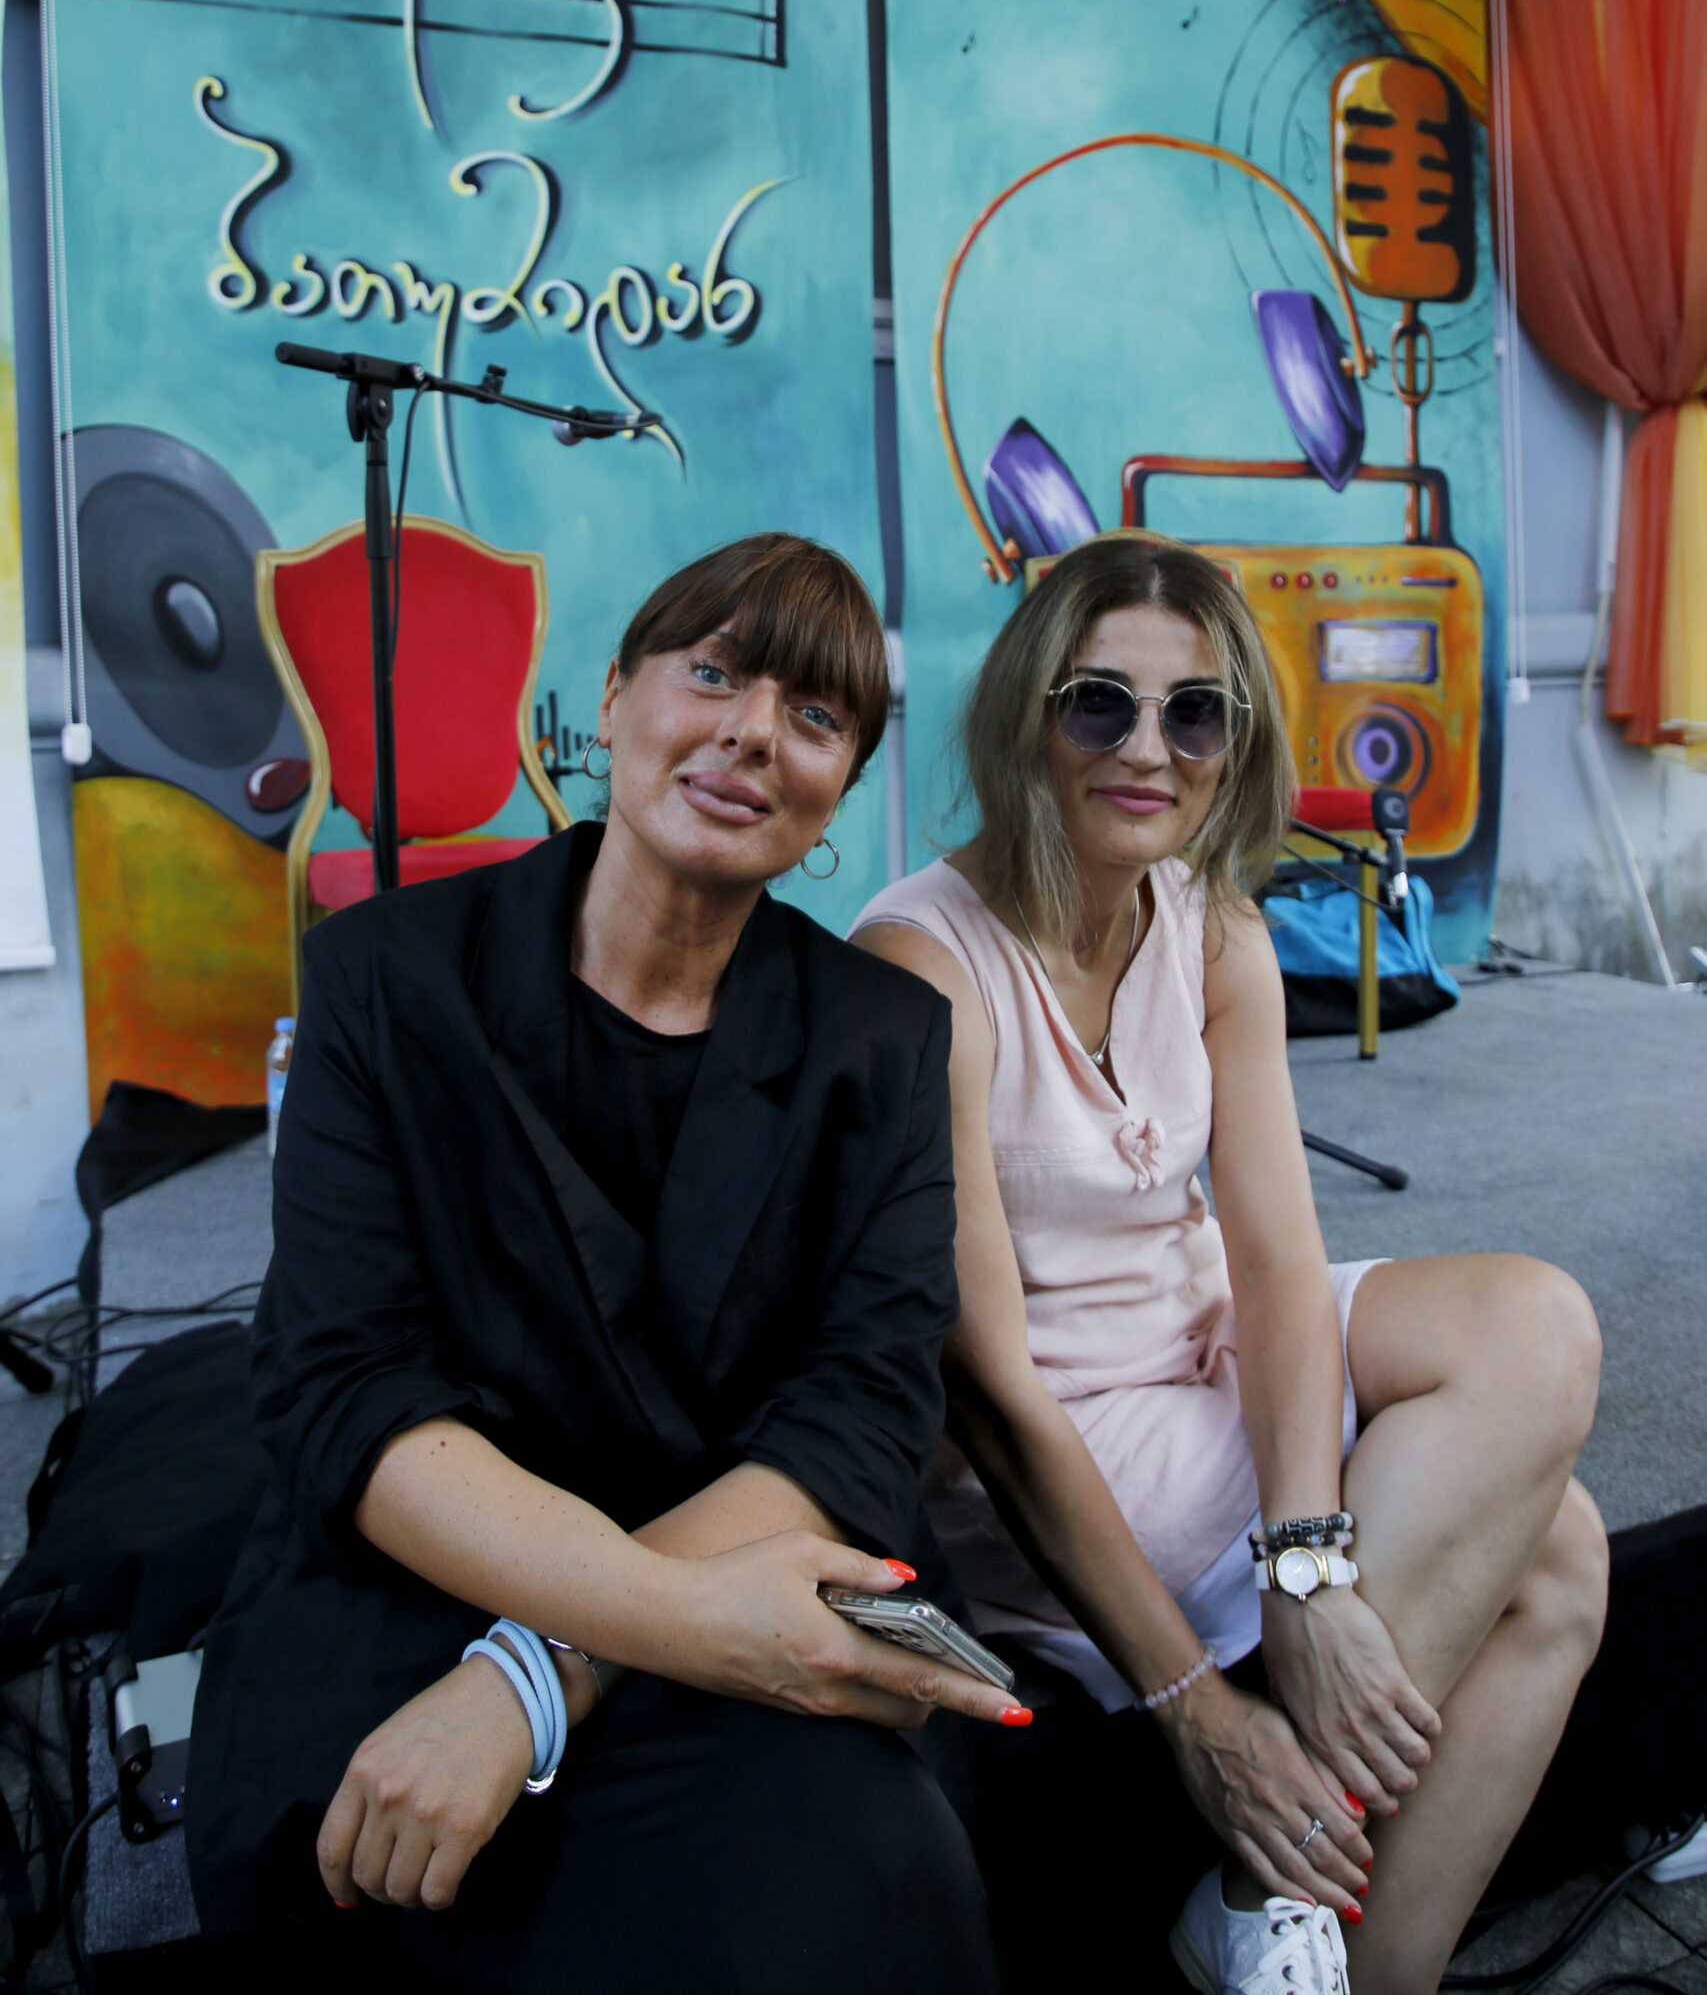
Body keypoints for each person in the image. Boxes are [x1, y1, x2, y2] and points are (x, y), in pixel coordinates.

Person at [188, 532, 1025, 1995]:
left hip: (747, 1567)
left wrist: (548, 1673)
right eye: (711, 674)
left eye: (814, 716)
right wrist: (588, 1645)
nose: (751, 733)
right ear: (614, 696)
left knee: (866, 1879)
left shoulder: (883, 1039)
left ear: (841, 786)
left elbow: (859, 1415)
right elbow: (346, 1390)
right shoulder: (383, 978)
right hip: (429, 1588)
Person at [852, 535, 1608, 1995]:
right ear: (1026, 714)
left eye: (1194, 712)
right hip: (1072, 1443)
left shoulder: (1212, 928)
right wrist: (1192, 1699)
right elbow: (990, 1391)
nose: (1150, 749)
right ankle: (1279, 1917)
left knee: (1537, 1326)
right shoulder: (925, 963)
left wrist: (1308, 1567)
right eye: (1101, 704)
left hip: (1204, 1356)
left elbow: (1274, 1264)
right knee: (1559, 1549)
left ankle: (1280, 1917)